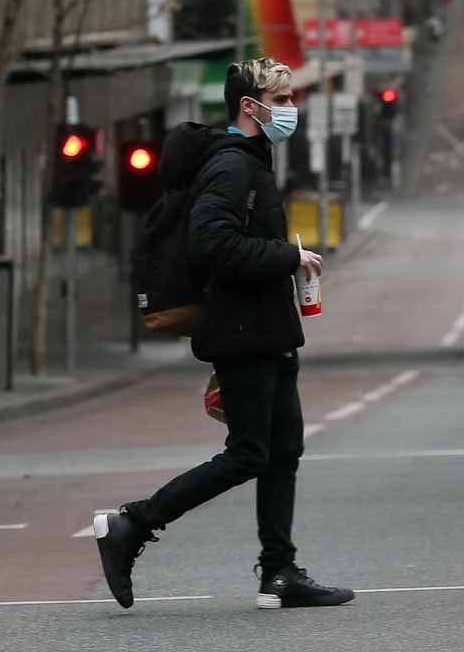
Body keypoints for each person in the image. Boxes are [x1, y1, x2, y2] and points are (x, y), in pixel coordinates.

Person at [94, 58, 354, 612]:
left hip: (265, 328)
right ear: (250, 106)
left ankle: (279, 573)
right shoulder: (232, 166)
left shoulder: (251, 162)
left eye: (290, 99)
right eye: (281, 100)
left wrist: (288, 262)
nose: (291, 110)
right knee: (248, 453)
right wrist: (288, 255)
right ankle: (132, 524)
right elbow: (210, 243)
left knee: (282, 450)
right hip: (242, 332)